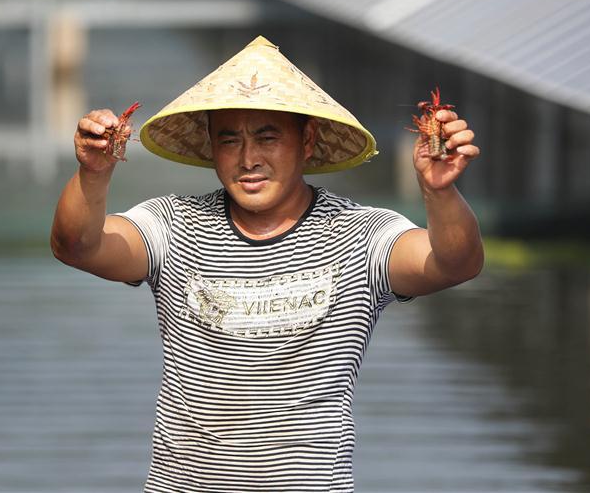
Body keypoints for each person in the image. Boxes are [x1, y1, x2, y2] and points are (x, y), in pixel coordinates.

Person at [50, 36, 483, 492]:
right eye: (229, 140)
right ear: (212, 148)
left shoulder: (360, 234)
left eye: (268, 137)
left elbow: (454, 263)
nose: (248, 159)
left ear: (308, 140)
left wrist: (439, 192)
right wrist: (92, 174)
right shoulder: (174, 225)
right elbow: (77, 245)